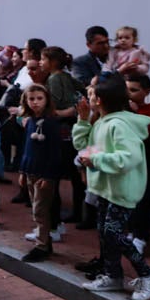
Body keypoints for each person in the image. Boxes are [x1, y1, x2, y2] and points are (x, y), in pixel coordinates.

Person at [74, 74, 150, 300]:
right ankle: (113, 276)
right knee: (105, 233)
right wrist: (83, 121)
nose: (87, 97)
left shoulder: (119, 125)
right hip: (105, 188)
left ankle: (148, 274)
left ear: (100, 100)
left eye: (91, 93)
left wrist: (97, 160)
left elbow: (128, 158)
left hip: (122, 190)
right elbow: (83, 146)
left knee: (113, 234)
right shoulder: (101, 121)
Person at [42, 46, 92, 231]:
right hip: (72, 126)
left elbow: (53, 104)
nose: (41, 62)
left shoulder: (54, 78)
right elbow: (83, 90)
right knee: (76, 173)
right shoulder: (66, 76)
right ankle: (80, 210)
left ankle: (70, 212)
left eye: (43, 59)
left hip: (61, 128)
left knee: (61, 171)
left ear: (52, 61)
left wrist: (59, 112)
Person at [17, 84, 65, 262]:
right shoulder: (30, 122)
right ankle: (45, 241)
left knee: (40, 210)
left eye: (39, 98)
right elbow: (26, 149)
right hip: (31, 170)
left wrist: (49, 176)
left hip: (44, 173)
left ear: (46, 100)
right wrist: (22, 171)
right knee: (37, 208)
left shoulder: (51, 123)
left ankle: (42, 245)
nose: (35, 102)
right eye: (31, 99)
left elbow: (55, 152)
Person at [125, 74, 150, 255]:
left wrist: (134, 113)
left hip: (149, 161)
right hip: (131, 162)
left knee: (146, 199)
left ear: (146, 91)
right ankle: (131, 231)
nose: (130, 94)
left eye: (134, 90)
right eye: (127, 90)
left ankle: (141, 236)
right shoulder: (123, 110)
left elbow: (147, 134)